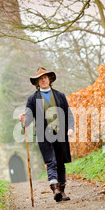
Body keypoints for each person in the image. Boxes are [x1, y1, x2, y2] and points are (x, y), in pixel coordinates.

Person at [19, 67, 75, 202]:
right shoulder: (32, 99)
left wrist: (71, 128)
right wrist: (23, 120)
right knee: (51, 161)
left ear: (49, 79)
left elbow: (68, 114)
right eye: (40, 79)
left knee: (61, 163)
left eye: (45, 77)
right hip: (43, 134)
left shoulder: (60, 95)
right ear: (37, 83)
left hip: (60, 132)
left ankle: (62, 191)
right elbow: (28, 118)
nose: (43, 80)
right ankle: (55, 188)